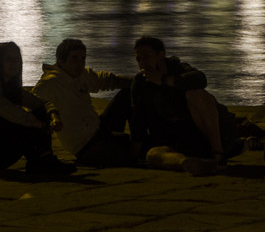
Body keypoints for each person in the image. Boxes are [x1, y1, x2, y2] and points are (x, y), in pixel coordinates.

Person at [129, 36, 236, 175]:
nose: (143, 63)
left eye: (147, 57)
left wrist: (164, 80)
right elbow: (137, 121)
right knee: (153, 154)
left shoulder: (179, 69)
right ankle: (188, 163)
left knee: (196, 94)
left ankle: (218, 155)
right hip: (175, 141)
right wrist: (134, 154)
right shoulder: (140, 83)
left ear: (161, 55)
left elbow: (200, 79)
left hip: (200, 134)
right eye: (139, 59)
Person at [32, 38, 134, 167]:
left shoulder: (81, 75)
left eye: (83, 58)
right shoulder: (50, 83)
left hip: (98, 129)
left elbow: (107, 80)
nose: (80, 63)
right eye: (74, 58)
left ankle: (138, 136)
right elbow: (32, 102)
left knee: (128, 92)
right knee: (134, 151)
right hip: (85, 145)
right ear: (61, 60)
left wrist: (141, 81)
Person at [0, 42, 76, 177]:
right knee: (24, 124)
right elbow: (7, 110)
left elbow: (40, 103)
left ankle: (43, 160)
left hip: (8, 149)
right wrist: (36, 123)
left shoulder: (13, 88)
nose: (14, 63)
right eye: (8, 59)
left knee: (40, 111)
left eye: (16, 59)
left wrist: (53, 115)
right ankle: (42, 162)